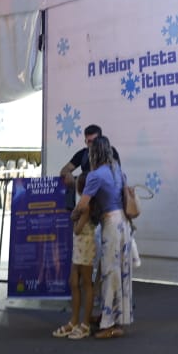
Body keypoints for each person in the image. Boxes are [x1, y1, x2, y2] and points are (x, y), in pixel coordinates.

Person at [71, 134, 133, 339]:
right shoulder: (118, 170)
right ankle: (111, 317)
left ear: (93, 153)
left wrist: (74, 214)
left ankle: (111, 325)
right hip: (123, 224)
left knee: (109, 273)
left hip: (111, 225)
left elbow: (82, 204)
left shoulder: (96, 175)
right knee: (119, 274)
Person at [53, 170, 97, 340]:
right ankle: (74, 321)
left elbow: (77, 228)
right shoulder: (82, 203)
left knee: (86, 282)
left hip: (85, 246)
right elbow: (73, 218)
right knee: (74, 282)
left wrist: (76, 216)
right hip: (79, 248)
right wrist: (75, 216)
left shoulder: (87, 205)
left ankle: (85, 323)